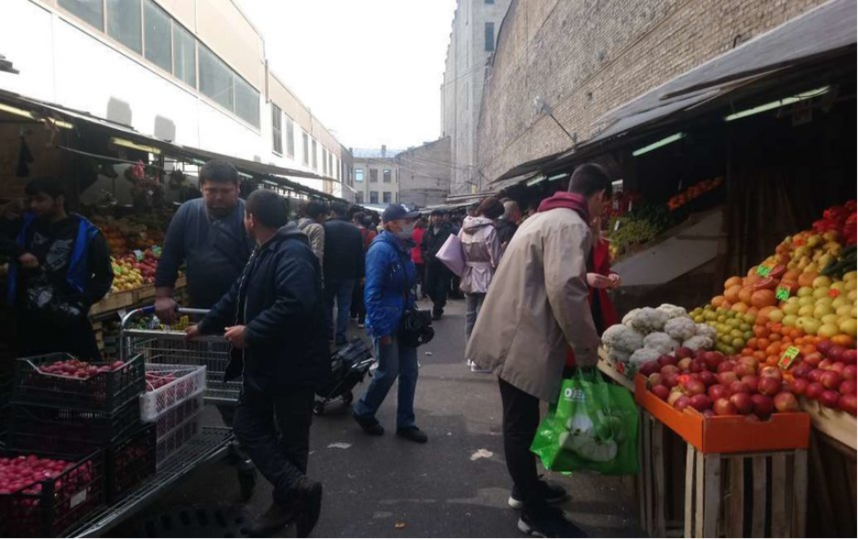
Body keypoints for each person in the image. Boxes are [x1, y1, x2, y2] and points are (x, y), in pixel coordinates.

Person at [466, 163, 612, 538]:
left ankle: (527, 488)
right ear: (598, 196)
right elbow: (565, 291)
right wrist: (586, 351)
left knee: (524, 422)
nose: (602, 212)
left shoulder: (543, 217)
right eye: (603, 205)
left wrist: (584, 278)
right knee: (520, 425)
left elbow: (551, 275)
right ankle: (531, 511)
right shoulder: (570, 225)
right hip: (521, 336)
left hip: (514, 330)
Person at [186, 190, 327, 537]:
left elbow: (297, 303)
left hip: (293, 364)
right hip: (266, 363)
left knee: (291, 436)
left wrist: (251, 331)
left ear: (251, 219)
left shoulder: (292, 252)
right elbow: (237, 292)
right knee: (249, 426)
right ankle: (297, 488)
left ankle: (287, 503)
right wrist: (204, 326)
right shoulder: (265, 251)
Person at [153, 159, 256, 492]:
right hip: (202, 312)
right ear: (201, 188)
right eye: (211, 191)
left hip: (241, 315)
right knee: (217, 378)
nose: (218, 198)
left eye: (225, 191)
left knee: (236, 381)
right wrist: (163, 295)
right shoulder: (188, 213)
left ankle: (246, 442)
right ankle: (239, 440)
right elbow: (170, 255)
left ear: (237, 190)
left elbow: (257, 266)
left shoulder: (248, 217)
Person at [1, 177, 113, 361]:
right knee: (33, 376)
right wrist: (19, 252)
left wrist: (80, 304)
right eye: (30, 200)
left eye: (40, 199)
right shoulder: (25, 225)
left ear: (59, 200)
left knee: (80, 373)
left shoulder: (87, 233)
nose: (34, 205)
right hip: (28, 321)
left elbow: (104, 276)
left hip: (68, 320)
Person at [352, 203, 428, 444]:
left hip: (404, 320)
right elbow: (371, 294)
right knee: (388, 372)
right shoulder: (381, 250)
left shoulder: (403, 247)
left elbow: (406, 285)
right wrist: (382, 329)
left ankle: (406, 423)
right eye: (407, 221)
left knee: (410, 372)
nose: (411, 225)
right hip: (386, 321)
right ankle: (363, 410)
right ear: (392, 223)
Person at [565, 214, 621, 374]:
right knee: (574, 357)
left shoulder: (600, 242)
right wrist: (583, 277)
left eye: (595, 217)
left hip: (598, 305)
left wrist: (611, 277)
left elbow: (603, 270)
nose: (593, 220)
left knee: (603, 353)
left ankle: (599, 389)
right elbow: (556, 275)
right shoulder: (566, 240)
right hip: (575, 304)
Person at [459, 197, 504, 373]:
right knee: (484, 317)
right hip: (486, 276)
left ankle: (470, 355)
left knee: (470, 316)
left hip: (468, 273)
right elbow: (496, 259)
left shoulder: (464, 227)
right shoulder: (490, 230)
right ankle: (479, 359)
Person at [323, 202, 364, 346]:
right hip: (349, 274)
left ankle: (328, 334)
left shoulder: (325, 227)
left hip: (328, 273)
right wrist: (361, 274)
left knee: (327, 304)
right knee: (344, 305)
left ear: (333, 212)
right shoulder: (355, 230)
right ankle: (340, 335)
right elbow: (360, 254)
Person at [421, 209, 453, 320]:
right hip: (430, 263)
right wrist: (425, 255)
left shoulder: (449, 231)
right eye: (434, 216)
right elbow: (423, 246)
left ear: (442, 217)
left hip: (443, 264)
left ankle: (437, 310)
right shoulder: (427, 232)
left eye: (438, 216)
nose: (436, 218)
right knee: (428, 287)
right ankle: (439, 302)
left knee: (442, 287)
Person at [350, 212, 376, 328]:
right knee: (363, 292)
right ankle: (362, 318)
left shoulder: (352, 232)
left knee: (353, 291)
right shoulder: (371, 234)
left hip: (354, 266)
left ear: (356, 220)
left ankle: (353, 314)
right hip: (367, 266)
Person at [297, 200, 328, 267]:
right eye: (325, 216)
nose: (326, 219)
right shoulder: (317, 228)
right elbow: (317, 254)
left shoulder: (297, 223)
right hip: (306, 268)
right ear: (320, 215)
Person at [411, 218, 427, 299]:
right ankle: (424, 293)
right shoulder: (424, 232)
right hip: (422, 256)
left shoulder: (412, 232)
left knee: (414, 277)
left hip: (413, 256)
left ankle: (414, 294)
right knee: (423, 276)